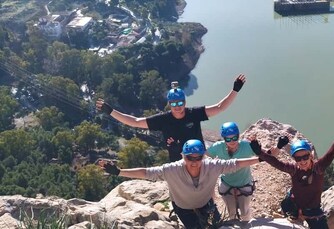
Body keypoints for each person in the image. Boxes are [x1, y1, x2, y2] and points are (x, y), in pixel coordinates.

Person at [99, 139, 260, 229]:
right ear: (183, 156)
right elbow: (147, 173)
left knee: (217, 227)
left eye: (198, 158)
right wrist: (120, 172)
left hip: (206, 205)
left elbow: (236, 163)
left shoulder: (212, 165)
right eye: (190, 158)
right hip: (184, 209)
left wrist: (260, 158)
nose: (195, 162)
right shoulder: (172, 169)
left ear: (203, 156)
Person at [96, 74, 247, 162]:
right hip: (178, 162)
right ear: (169, 104)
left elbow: (219, 107)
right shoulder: (163, 120)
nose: (178, 106)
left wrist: (235, 90)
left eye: (180, 102)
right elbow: (135, 122)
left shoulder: (193, 114)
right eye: (174, 103)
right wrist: (111, 111)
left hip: (199, 158)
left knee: (206, 192)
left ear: (185, 102)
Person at [249, 115, 334, 229]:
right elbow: (276, 163)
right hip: (294, 205)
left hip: (313, 210)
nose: (302, 161)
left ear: (311, 155)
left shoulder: (319, 168)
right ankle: (294, 216)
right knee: (285, 204)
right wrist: (260, 152)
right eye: (298, 158)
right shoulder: (293, 169)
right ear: (294, 159)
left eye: (305, 157)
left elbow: (333, 151)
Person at [206, 122, 256, 222]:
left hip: (244, 183)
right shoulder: (217, 147)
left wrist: (278, 147)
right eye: (228, 139)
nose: (232, 141)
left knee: (245, 212)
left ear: (238, 136)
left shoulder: (247, 146)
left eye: (235, 138)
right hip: (227, 183)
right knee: (231, 212)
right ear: (224, 139)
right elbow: (201, 156)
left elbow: (269, 157)